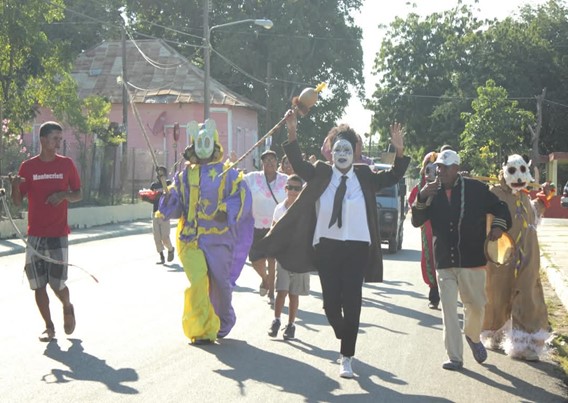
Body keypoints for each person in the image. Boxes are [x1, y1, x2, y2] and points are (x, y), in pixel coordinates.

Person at [258, 109, 410, 378]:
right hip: (327, 247)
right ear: (330, 151)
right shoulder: (321, 173)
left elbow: (393, 177)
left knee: (352, 301)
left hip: (357, 247)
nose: (342, 154)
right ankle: (345, 333)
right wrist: (292, 131)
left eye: (347, 149)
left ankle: (346, 356)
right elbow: (298, 162)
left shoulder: (365, 176)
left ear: (355, 152)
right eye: (337, 149)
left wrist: (399, 152)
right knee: (330, 305)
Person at [411, 149, 512, 371]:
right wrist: (422, 196)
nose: (441, 171)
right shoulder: (431, 191)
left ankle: (473, 337)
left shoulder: (476, 189)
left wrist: (497, 227)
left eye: (446, 167)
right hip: (444, 261)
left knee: (476, 307)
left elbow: (501, 208)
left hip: (472, 259)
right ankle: (455, 357)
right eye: (439, 167)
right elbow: (416, 221)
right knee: (448, 311)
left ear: (456, 168)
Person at [157, 119, 254, 344]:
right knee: (199, 281)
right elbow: (178, 205)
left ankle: (221, 321)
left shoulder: (227, 173)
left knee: (220, 284)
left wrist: (226, 210)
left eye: (206, 142)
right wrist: (167, 197)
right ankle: (201, 328)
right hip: (190, 240)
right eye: (198, 142)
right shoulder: (184, 176)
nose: (202, 147)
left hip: (219, 239)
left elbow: (242, 195)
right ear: (192, 145)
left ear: (214, 143)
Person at [10, 121, 82, 342]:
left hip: (58, 233)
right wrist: (14, 185)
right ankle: (49, 327)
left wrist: (62, 195)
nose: (59, 142)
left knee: (57, 283)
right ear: (42, 140)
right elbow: (16, 202)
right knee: (38, 284)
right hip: (35, 236)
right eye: (55, 138)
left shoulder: (66, 165)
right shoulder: (28, 167)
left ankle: (67, 306)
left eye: (60, 139)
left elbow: (78, 194)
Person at [481, 154, 552, 361]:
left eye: (522, 171)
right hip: (502, 257)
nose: (518, 177)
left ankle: (524, 345)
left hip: (527, 256)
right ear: (504, 172)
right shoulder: (495, 194)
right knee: (498, 294)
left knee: (528, 294)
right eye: (512, 171)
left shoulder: (524, 196)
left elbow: (532, 216)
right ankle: (495, 333)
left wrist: (544, 198)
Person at [267, 174, 310, 340]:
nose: (293, 191)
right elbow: (273, 229)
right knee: (281, 291)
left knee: (294, 293)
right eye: (290, 187)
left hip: (299, 257)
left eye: (296, 188)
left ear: (301, 191)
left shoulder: (305, 208)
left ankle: (291, 325)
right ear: (285, 189)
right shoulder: (280, 209)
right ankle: (276, 320)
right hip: (283, 256)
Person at [244, 149, 288, 305]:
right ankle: (266, 279)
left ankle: (271, 291)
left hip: (277, 225)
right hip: (256, 225)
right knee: (255, 259)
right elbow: (237, 182)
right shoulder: (253, 178)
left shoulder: (285, 180)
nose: (269, 162)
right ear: (261, 163)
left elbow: (297, 194)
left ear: (277, 162)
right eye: (266, 160)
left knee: (272, 258)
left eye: (272, 159)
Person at [407, 151, 439, 309]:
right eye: (429, 166)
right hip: (427, 229)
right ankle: (434, 293)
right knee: (429, 258)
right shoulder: (420, 187)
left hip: (444, 229)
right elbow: (413, 203)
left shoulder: (446, 184)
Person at [141, 166, 174, 264]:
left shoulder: (168, 183)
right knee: (156, 236)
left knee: (165, 236)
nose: (160, 175)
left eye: (162, 172)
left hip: (165, 213)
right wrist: (147, 198)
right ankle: (161, 257)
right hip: (155, 212)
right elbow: (152, 199)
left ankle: (171, 249)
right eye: (159, 173)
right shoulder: (154, 185)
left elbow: (172, 195)